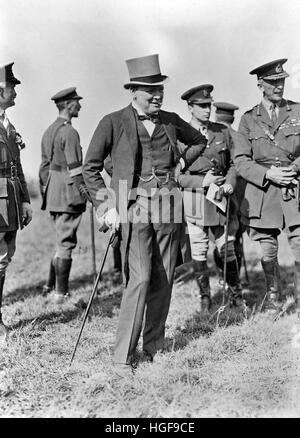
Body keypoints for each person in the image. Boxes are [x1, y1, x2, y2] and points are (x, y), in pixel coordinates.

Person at [83, 54, 207, 373]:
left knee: (164, 277)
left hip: (169, 205)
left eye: (160, 88)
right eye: (150, 89)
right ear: (133, 91)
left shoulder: (169, 119)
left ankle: (153, 348)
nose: (157, 95)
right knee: (139, 279)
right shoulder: (112, 121)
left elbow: (199, 141)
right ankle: (123, 357)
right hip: (133, 207)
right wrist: (105, 206)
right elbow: (90, 169)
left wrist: (179, 165)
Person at [234, 58, 300, 313]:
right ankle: (274, 296)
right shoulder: (249, 119)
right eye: (273, 82)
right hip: (263, 193)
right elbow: (241, 161)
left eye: (281, 81)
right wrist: (269, 175)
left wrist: (292, 169)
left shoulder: (297, 111)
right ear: (260, 84)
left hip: (293, 189)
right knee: (268, 250)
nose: (279, 86)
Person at [178, 85, 244, 312]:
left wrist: (229, 183)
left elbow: (234, 164)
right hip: (196, 199)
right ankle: (205, 299)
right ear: (190, 107)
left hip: (221, 199)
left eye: (209, 105)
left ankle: (236, 296)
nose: (207, 110)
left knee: (226, 248)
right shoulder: (180, 135)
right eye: (202, 106)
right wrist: (201, 183)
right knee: (198, 249)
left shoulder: (221, 131)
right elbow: (177, 176)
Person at [39, 87, 89, 303]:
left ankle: (49, 285)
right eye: (77, 102)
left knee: (60, 239)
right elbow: (76, 168)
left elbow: (43, 167)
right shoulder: (70, 132)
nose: (80, 105)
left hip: (53, 192)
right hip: (68, 193)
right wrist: (86, 192)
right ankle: (60, 294)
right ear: (68, 105)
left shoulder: (49, 130)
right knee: (66, 242)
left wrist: (48, 188)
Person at [0, 62, 32, 345]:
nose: (15, 93)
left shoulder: (8, 125)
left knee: (4, 257)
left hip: (9, 197)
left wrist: (25, 200)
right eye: (12, 88)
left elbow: (17, 167)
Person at [213, 102, 247, 278]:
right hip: (241, 196)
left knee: (221, 240)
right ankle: (235, 278)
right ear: (232, 118)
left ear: (217, 116)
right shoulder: (240, 137)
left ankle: (225, 278)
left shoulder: (214, 136)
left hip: (218, 196)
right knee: (235, 239)